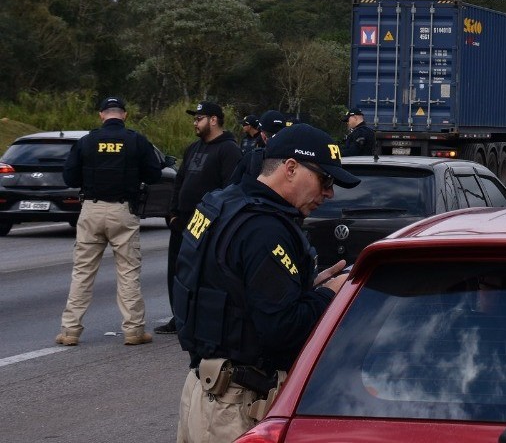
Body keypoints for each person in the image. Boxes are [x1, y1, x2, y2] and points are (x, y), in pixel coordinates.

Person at [174, 123, 360, 442]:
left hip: (202, 390)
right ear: (290, 168)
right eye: (325, 179)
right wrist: (329, 295)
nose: (329, 192)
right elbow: (281, 329)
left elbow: (230, 288)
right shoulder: (265, 229)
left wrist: (303, 289)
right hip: (234, 405)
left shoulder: (223, 203)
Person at [55, 96, 164, 347]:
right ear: (124, 115)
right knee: (128, 273)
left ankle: (70, 331)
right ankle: (134, 331)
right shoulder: (136, 140)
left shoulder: (87, 141)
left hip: (91, 211)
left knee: (82, 273)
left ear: (102, 115)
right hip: (123, 211)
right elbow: (154, 174)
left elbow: (69, 177)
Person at [155, 101, 242, 335]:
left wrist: (213, 222)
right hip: (181, 222)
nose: (195, 123)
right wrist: (172, 213)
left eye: (199, 118)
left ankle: (199, 319)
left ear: (213, 120)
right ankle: (179, 317)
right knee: (177, 271)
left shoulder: (229, 150)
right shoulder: (193, 148)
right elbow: (180, 181)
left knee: (202, 274)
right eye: (195, 119)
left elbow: (230, 190)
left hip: (205, 223)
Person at [228, 109, 287, 185]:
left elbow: (232, 185)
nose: (242, 126)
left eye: (244, 124)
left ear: (263, 136)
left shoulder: (252, 157)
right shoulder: (299, 157)